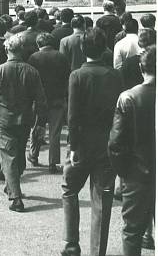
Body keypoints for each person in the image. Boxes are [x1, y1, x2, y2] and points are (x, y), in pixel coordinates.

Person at [61, 28, 123, 256]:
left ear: (82, 48)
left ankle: (71, 243)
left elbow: (73, 116)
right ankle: (98, 251)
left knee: (69, 190)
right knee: (102, 201)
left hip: (82, 144)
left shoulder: (77, 76)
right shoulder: (115, 75)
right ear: (104, 47)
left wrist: (73, 147)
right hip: (107, 145)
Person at [0, 34, 47, 212]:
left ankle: (16, 197)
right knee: (18, 153)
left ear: (7, 50)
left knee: (9, 156)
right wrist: (41, 121)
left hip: (4, 118)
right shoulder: (31, 71)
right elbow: (41, 100)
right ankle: (12, 184)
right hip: (25, 119)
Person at [108, 46, 155, 256]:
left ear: (140, 68)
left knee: (132, 231)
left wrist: (123, 172)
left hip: (137, 173)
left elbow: (116, 143)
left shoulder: (128, 97)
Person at [26, 33, 70, 174]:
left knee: (37, 128)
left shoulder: (33, 58)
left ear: (39, 44)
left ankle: (34, 154)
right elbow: (67, 77)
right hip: (57, 98)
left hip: (39, 99)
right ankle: (53, 162)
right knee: (54, 132)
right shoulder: (61, 57)